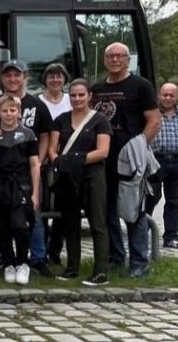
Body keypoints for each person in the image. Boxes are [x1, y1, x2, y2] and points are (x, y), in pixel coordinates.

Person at [91, 43, 160, 278]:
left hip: (130, 160)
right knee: (107, 212)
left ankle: (139, 263)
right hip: (103, 160)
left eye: (120, 55)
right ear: (104, 60)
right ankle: (115, 257)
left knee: (134, 213)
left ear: (128, 59)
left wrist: (140, 146)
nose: (115, 59)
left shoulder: (141, 86)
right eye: (110, 55)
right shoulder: (97, 88)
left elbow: (153, 120)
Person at [0, 60, 53, 278]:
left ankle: (36, 259)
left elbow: (46, 134)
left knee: (32, 217)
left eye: (17, 75)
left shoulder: (37, 104)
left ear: (25, 77)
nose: (12, 79)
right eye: (8, 75)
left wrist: (36, 163)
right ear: (2, 78)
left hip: (26, 174)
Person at [48, 79, 111, 285]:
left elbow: (103, 151)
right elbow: (52, 148)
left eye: (81, 95)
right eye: (73, 95)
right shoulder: (61, 119)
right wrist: (59, 159)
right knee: (70, 224)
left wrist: (78, 158)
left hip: (92, 175)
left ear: (89, 96)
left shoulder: (100, 120)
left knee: (97, 224)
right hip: (67, 176)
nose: (76, 99)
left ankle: (100, 271)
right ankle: (72, 267)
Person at [0, 96, 41, 285]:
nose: (9, 114)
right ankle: (8, 262)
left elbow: (34, 164)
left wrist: (35, 193)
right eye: (5, 111)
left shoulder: (28, 134)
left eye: (12, 110)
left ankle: (23, 262)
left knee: (20, 225)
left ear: (19, 112)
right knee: (2, 226)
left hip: (21, 186)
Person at [146, 82, 178, 249]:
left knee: (174, 201)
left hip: (177, 161)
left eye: (171, 95)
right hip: (155, 160)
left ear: (177, 96)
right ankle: (141, 233)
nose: (168, 98)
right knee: (150, 197)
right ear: (159, 95)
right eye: (165, 94)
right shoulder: (151, 113)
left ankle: (171, 238)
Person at [40, 62, 71, 264]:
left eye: (59, 76)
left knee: (62, 207)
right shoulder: (38, 101)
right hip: (43, 161)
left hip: (65, 159)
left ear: (64, 79)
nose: (55, 80)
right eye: (51, 76)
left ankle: (55, 250)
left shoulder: (71, 99)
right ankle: (41, 251)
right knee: (42, 208)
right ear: (45, 80)